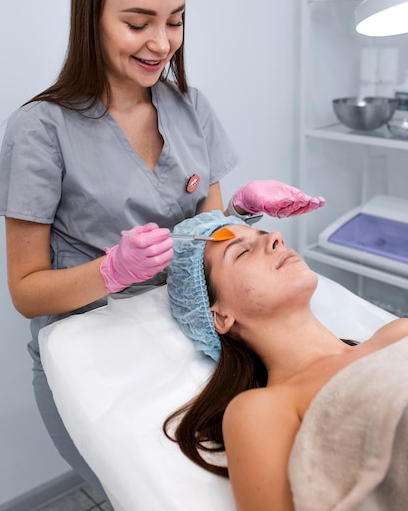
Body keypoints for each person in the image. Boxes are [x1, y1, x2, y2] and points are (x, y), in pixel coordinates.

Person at [0, 0, 324, 494]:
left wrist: (239, 216)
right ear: (90, 15)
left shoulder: (189, 107)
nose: (162, 43)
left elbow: (210, 241)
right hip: (94, 349)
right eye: (137, 23)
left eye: (174, 21)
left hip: (183, 330)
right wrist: (110, 271)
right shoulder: (39, 129)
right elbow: (26, 291)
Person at [164, 210, 408, 511]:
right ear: (221, 315)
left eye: (266, 235)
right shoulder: (259, 410)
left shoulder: (398, 333)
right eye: (241, 252)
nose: (277, 238)